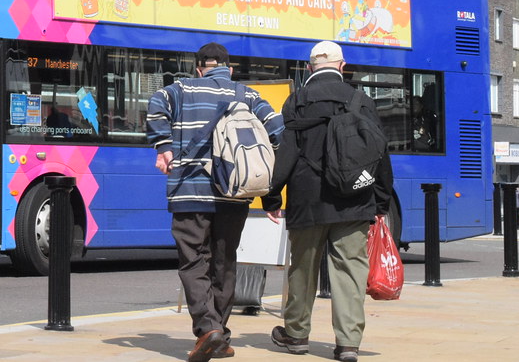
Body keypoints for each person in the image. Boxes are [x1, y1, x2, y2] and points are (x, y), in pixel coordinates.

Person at [146, 42, 284, 362]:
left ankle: (208, 329)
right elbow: (277, 129)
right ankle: (219, 334)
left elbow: (155, 102)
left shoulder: (180, 88)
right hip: (234, 193)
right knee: (224, 262)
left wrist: (164, 145)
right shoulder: (246, 95)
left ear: (198, 68)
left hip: (189, 192)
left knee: (194, 260)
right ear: (229, 68)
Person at [262, 41, 393, 362]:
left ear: (309, 69)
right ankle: (348, 343)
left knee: (302, 269)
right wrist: (380, 201)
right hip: (354, 197)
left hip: (308, 198)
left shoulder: (297, 101)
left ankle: (296, 335)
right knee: (349, 270)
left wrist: (272, 195)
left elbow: (287, 152)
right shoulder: (360, 100)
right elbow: (380, 153)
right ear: (342, 66)